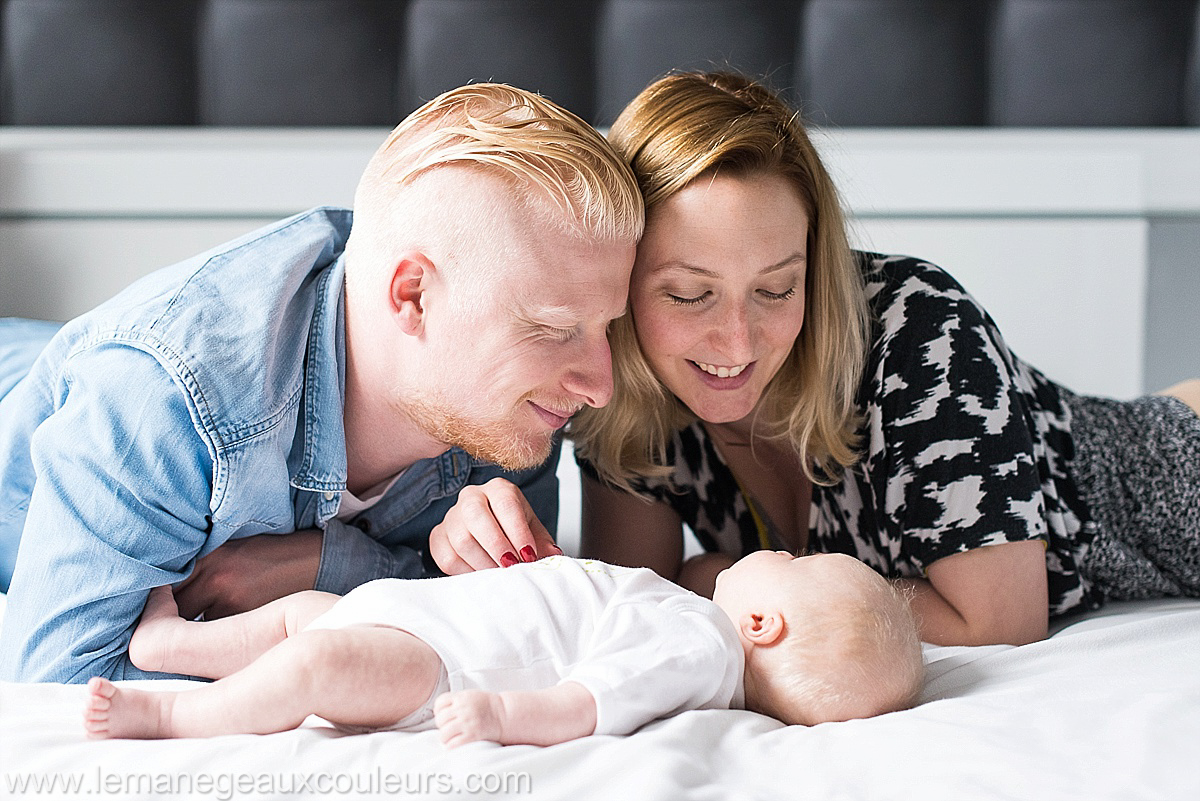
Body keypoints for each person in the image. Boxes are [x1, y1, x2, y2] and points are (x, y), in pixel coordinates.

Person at [432, 71, 1200, 647]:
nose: (736, 343)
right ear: (623, 284)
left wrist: (719, 578)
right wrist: (515, 558)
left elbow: (999, 621)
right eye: (690, 295)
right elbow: (641, 600)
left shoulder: (918, 326)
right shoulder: (616, 379)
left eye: (777, 289)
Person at [0, 82, 643, 683]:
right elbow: (68, 685)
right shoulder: (167, 396)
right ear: (413, 295)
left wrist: (329, 566)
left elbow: (505, 635)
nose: (599, 387)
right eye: (556, 328)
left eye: (605, 328)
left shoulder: (515, 410)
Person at [81, 552, 923, 742]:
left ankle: (174, 715)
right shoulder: (691, 621)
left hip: (448, 664)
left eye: (794, 560)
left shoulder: (700, 643)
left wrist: (505, 715)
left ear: (765, 624)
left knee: (312, 659)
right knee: (305, 617)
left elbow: (601, 695)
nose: (776, 549)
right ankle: (171, 644)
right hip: (430, 613)